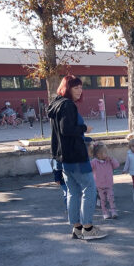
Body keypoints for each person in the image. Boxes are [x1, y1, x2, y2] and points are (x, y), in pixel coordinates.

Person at [47, 75, 106, 240]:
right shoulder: (68, 105)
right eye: (76, 87)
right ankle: (88, 228)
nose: (80, 91)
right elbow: (67, 129)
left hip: (64, 157)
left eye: (81, 87)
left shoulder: (57, 104)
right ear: (67, 88)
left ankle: (77, 228)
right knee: (89, 189)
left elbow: (62, 131)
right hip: (75, 156)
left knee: (73, 192)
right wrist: (84, 128)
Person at [90, 142, 120, 219]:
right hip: (99, 185)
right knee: (103, 200)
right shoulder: (94, 162)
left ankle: (113, 211)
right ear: (98, 154)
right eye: (104, 152)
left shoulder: (109, 161)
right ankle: (105, 212)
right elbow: (89, 169)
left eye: (106, 152)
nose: (106, 154)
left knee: (111, 198)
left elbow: (117, 165)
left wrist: (112, 159)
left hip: (109, 184)